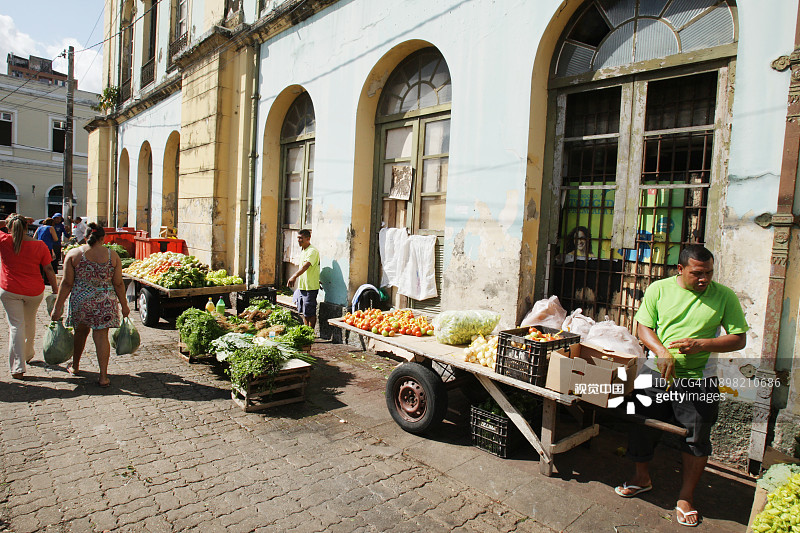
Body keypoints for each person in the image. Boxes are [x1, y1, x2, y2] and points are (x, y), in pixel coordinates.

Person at [615, 244, 748, 527]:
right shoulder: (659, 289)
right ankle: (642, 478)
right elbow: (643, 327)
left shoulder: (724, 296)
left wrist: (701, 344)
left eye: (709, 273)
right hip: (656, 372)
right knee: (640, 422)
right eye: (697, 273)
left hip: (700, 379)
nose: (704, 279)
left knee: (697, 436)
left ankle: (686, 496)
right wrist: (662, 352)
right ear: (680, 269)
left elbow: (739, 338)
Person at [51, 223, 130, 387]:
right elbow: (119, 284)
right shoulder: (112, 256)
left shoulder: (73, 254)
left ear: (85, 237)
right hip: (105, 301)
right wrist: (124, 306)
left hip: (82, 300)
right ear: (103, 238)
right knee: (101, 337)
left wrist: (57, 307)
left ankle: (76, 366)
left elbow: (66, 284)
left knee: (80, 333)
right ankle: (103, 376)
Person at [0, 215, 59, 379]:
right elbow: (48, 269)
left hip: (9, 289)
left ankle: (18, 367)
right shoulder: (39, 245)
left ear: (8, 227)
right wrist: (55, 290)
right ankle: (27, 354)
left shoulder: (4, 240)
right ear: (27, 227)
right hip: (33, 291)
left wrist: (8, 221)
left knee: (16, 326)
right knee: (29, 322)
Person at [287, 229, 320, 329]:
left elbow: (306, 266)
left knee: (310, 312)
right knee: (305, 312)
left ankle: (310, 332)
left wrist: (293, 276)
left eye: (301, 238)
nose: (299, 240)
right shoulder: (304, 251)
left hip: (310, 287)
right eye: (298, 238)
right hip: (302, 286)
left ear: (308, 238)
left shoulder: (312, 251)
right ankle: (306, 329)